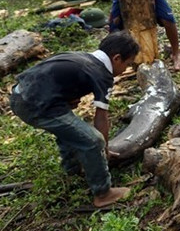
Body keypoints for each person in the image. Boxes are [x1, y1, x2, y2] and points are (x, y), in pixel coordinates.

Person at [9, 31, 139, 208]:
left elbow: (50, 75)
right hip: (35, 105)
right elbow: (101, 117)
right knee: (93, 140)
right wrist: (105, 149)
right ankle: (103, 193)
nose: (126, 70)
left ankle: (73, 168)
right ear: (116, 58)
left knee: (69, 130)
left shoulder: (82, 57)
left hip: (21, 94)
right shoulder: (102, 74)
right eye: (128, 64)